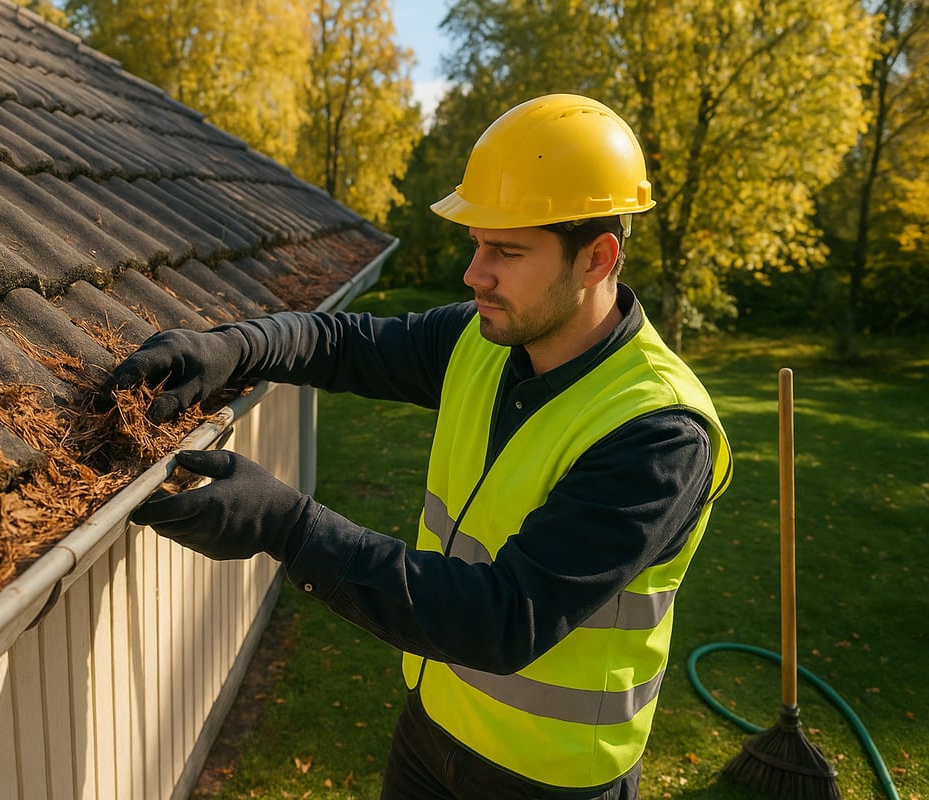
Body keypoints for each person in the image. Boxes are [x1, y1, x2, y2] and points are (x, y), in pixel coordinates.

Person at [105, 94, 733, 800]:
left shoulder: (657, 434)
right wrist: (236, 346)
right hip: (434, 724)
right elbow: (346, 344)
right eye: (477, 244)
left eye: (508, 250)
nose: (475, 273)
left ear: (596, 259)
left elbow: (502, 618)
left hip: (548, 778)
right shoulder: (485, 339)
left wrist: (284, 526)